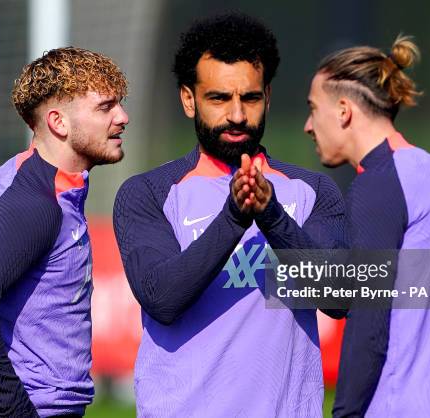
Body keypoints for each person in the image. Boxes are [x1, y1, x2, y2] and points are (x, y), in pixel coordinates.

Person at [113, 12, 347, 417]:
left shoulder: (313, 191)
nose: (237, 115)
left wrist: (270, 215)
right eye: (219, 98)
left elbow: (339, 297)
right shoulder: (148, 193)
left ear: (267, 96)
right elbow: (162, 299)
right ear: (189, 99)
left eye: (250, 98)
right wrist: (234, 218)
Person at [0, 47, 129, 418]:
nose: (123, 117)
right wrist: (17, 410)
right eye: (105, 107)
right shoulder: (36, 203)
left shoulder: (17, 177)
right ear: (58, 122)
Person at [304, 35, 430, 417]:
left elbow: (368, 323)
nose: (307, 125)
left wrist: (345, 413)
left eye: (313, 108)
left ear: (343, 111)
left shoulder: (378, 184)